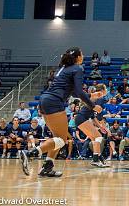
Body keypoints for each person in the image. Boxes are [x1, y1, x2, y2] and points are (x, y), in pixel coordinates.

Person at [19, 47, 103, 177]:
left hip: (45, 100)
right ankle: (30, 153)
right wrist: (93, 106)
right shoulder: (77, 68)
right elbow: (79, 92)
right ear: (77, 57)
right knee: (62, 139)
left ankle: (47, 167)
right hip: (54, 102)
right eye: (82, 54)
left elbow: (74, 92)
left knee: (57, 138)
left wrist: (91, 95)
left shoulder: (64, 68)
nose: (83, 55)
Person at [74, 84, 110, 167]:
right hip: (82, 118)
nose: (107, 91)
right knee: (98, 137)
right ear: (102, 90)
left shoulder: (96, 98)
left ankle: (100, 158)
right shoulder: (98, 98)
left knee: (95, 139)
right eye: (106, 89)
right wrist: (104, 126)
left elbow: (93, 117)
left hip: (81, 119)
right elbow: (99, 115)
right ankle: (95, 159)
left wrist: (101, 127)